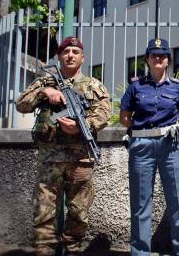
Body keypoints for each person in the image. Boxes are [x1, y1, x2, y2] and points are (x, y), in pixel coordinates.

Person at [16, 36, 111, 256]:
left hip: (81, 159)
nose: (70, 55)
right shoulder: (45, 81)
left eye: (75, 52)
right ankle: (44, 251)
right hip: (50, 157)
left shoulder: (94, 85)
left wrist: (81, 126)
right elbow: (21, 104)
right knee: (44, 212)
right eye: (66, 52)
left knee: (79, 213)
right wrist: (44, 93)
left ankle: (73, 251)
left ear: (82, 57)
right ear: (59, 56)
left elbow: (105, 113)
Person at [119, 38, 179, 256]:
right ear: (147, 60)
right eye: (154, 55)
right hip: (142, 146)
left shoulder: (177, 88)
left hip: (171, 145)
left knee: (177, 202)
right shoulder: (136, 86)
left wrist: (177, 128)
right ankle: (140, 252)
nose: (158, 58)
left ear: (168, 60)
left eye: (162, 55)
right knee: (141, 204)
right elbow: (124, 117)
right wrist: (140, 131)